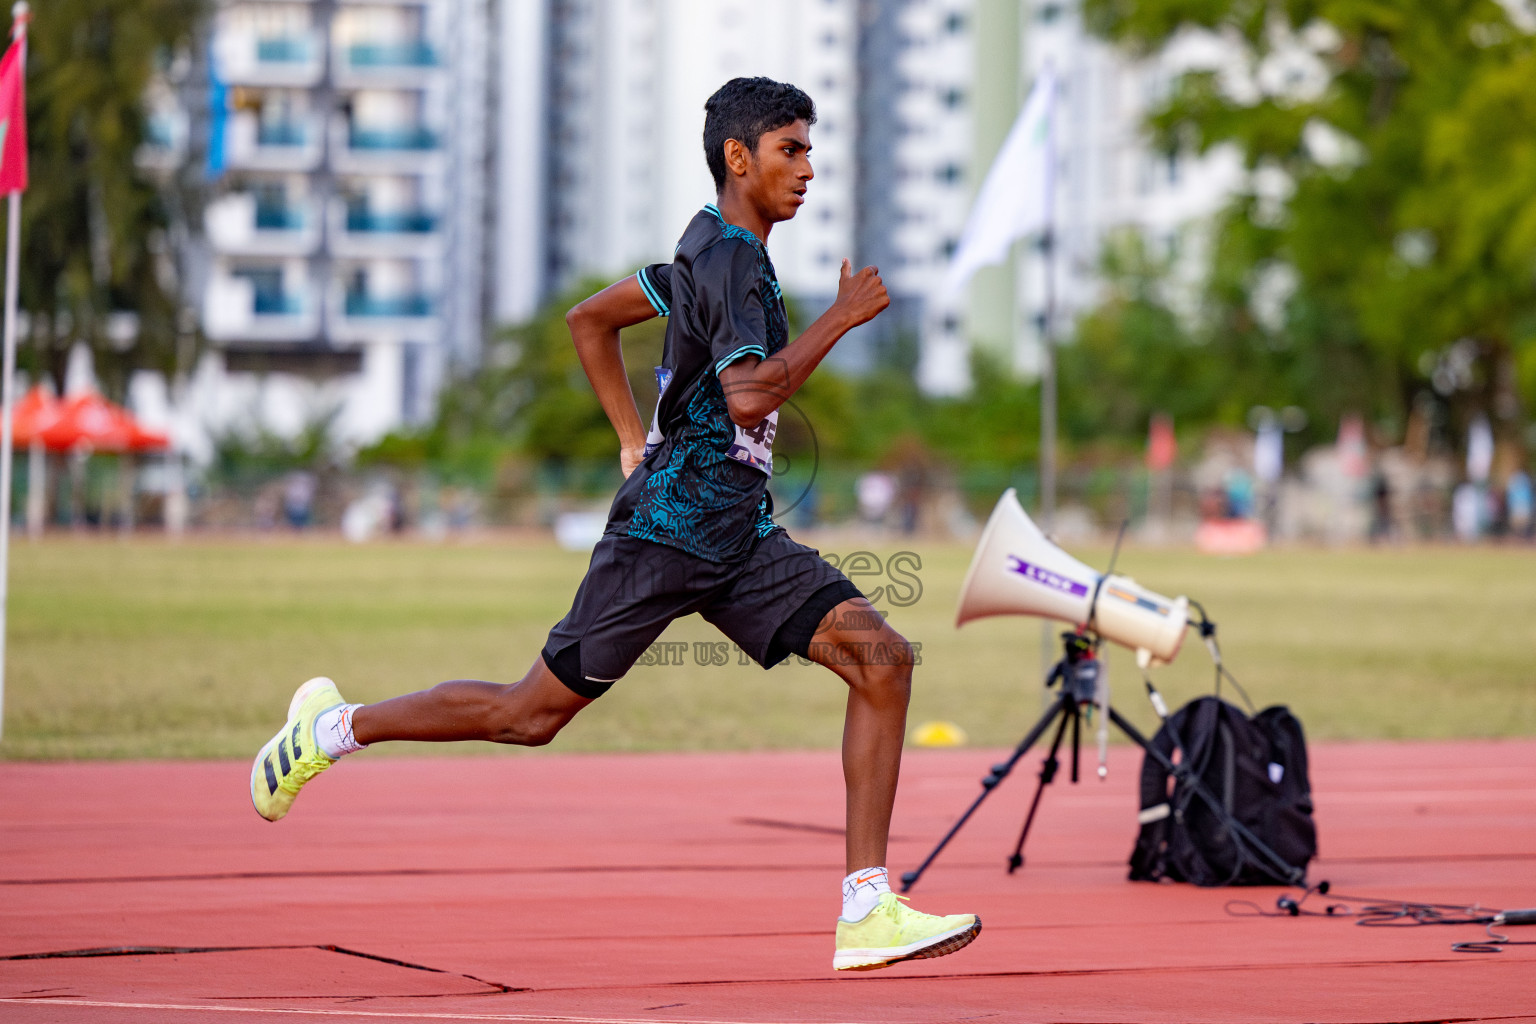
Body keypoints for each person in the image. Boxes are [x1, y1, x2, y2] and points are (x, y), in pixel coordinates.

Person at [249, 77, 980, 973]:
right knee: (529, 716)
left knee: (881, 660)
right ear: (738, 157)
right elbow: (751, 393)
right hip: (667, 536)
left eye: (811, 150)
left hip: (736, 534)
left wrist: (634, 437)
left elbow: (590, 321)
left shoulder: (700, 254)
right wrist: (841, 317)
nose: (809, 170)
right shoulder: (735, 263)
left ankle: (867, 907)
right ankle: (331, 728)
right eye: (792, 150)